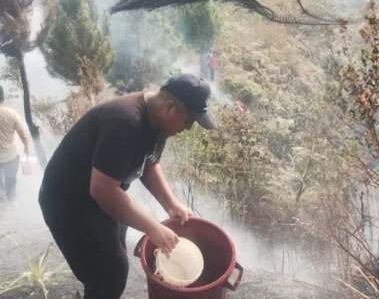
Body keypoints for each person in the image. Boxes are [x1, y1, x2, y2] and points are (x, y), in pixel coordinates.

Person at [39, 74, 218, 299]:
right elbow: (103, 190)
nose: (189, 128)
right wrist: (153, 228)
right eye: (188, 121)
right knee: (109, 274)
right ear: (170, 107)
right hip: (69, 204)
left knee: (112, 261)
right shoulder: (125, 123)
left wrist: (172, 204)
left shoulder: (158, 121)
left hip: (100, 199)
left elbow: (150, 162)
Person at [0, 85, 30, 201]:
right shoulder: (12, 113)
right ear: (3, 98)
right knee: (11, 182)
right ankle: (11, 204)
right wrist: (26, 148)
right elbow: (23, 134)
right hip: (11, 157)